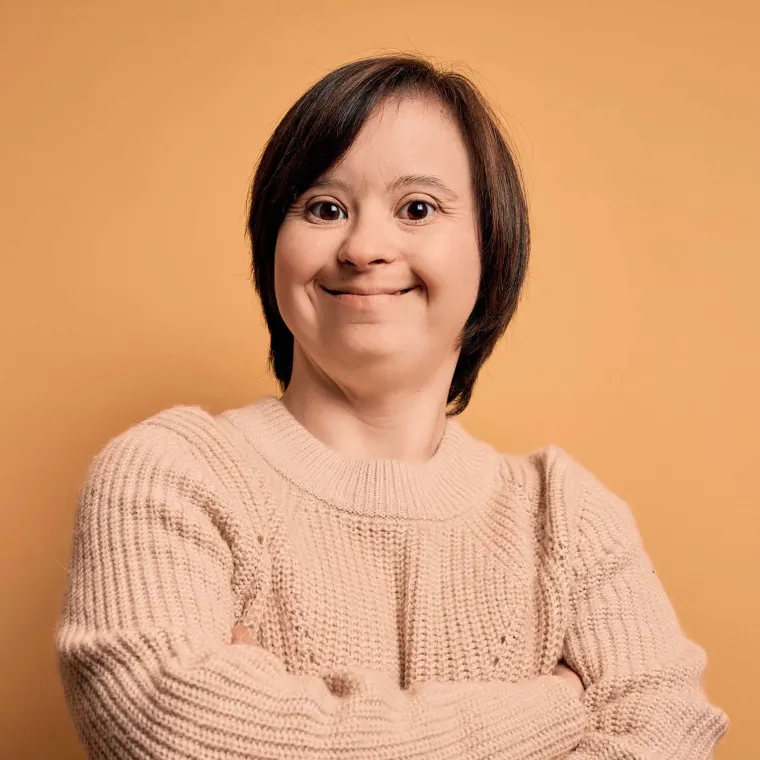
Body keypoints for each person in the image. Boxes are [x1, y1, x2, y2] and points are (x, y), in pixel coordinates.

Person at [55, 54, 729, 759]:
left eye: (417, 209)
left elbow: (668, 736)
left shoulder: (568, 518)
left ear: (492, 252)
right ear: (271, 247)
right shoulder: (169, 476)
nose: (365, 247)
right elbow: (176, 734)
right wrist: (553, 711)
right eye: (324, 208)